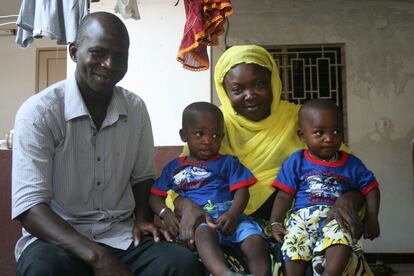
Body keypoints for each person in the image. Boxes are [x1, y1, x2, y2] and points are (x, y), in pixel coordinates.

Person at [11, 12, 202, 276]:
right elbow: (30, 208)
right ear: (75, 52)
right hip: (57, 240)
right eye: (98, 53)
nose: (109, 64)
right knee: (43, 269)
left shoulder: (135, 109)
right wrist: (97, 256)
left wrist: (143, 220)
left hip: (121, 235)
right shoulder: (39, 113)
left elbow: (143, 178)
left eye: (120, 56)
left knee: (181, 263)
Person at [169, 45, 374, 275]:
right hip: (228, 227)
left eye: (259, 84)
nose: (250, 95)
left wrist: (348, 198)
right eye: (238, 89)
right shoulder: (211, 126)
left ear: (273, 82)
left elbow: (352, 173)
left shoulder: (301, 120)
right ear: (225, 91)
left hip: (297, 226)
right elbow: (178, 182)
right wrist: (184, 204)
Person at [149, 102, 271, 276]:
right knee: (203, 236)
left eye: (215, 135)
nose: (208, 141)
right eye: (199, 134)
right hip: (199, 219)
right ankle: (224, 273)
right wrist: (165, 213)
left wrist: (233, 214)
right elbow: (155, 196)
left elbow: (242, 191)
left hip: (230, 216)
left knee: (255, 241)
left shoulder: (228, 162)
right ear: (184, 135)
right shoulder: (173, 168)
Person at [270, 99, 380, 276]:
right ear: (302, 135)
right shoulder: (296, 161)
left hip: (335, 216)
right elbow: (284, 196)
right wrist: (275, 222)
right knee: (293, 241)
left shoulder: (352, 164)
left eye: (336, 131)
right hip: (303, 217)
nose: (329, 138)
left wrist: (372, 217)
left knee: (341, 237)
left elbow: (371, 189)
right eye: (319, 133)